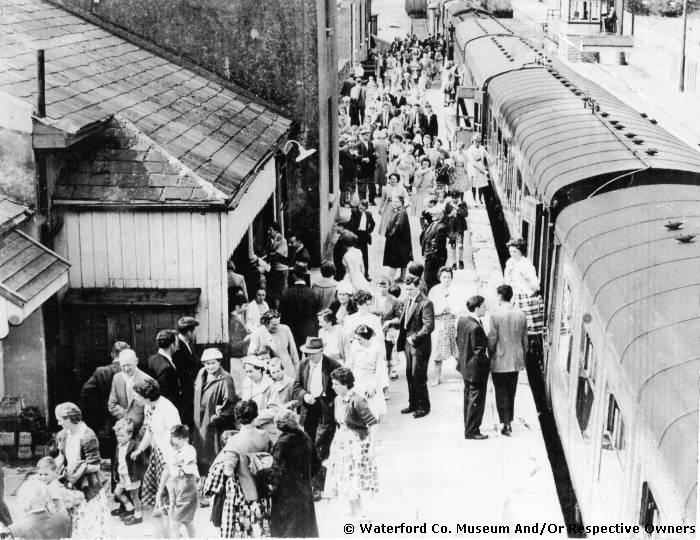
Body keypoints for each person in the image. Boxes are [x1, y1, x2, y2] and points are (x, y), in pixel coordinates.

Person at [324, 367, 378, 520]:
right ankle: (353, 510)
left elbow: (373, 423)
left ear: (345, 384)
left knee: (354, 477)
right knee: (345, 477)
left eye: (335, 384)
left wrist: (371, 446)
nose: (333, 387)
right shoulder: (337, 400)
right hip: (341, 442)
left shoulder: (357, 400)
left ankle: (360, 511)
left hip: (356, 443)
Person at [293, 337, 342, 499]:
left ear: (321, 351)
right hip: (308, 410)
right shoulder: (302, 365)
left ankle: (317, 487)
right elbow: (296, 387)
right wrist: (304, 396)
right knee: (308, 446)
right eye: (307, 353)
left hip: (325, 409)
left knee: (320, 447)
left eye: (313, 353)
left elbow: (342, 387)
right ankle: (309, 484)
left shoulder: (333, 365)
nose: (310, 356)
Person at [217, 400, 272, 537]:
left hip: (244, 496)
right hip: (263, 492)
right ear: (256, 415)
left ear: (237, 417)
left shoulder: (234, 441)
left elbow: (228, 471)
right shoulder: (265, 436)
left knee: (245, 533)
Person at [53, 402, 107, 538]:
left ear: (69, 418)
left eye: (60, 420)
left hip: (87, 484)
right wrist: (50, 468)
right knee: (72, 518)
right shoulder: (63, 434)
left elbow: (95, 465)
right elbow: (61, 456)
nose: (59, 423)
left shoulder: (88, 436)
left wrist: (76, 469)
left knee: (88, 521)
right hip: (70, 481)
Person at [131, 378, 181, 509]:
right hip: (157, 452)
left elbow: (177, 437)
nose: (135, 398)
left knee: (169, 491)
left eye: (138, 395)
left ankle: (173, 522)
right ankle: (163, 517)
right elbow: (150, 430)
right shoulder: (149, 405)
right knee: (157, 490)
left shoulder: (168, 409)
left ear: (147, 395)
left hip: (169, 455)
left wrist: (172, 462)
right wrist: (140, 449)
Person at [270, 410, 321, 538]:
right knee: (304, 531)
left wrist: (270, 487)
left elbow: (277, 471)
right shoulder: (305, 437)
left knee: (286, 531)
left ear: (280, 425)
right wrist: (306, 477)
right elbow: (317, 463)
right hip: (304, 491)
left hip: (285, 495)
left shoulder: (282, 443)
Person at [488, 284, 528, 436]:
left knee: (501, 392)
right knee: (511, 391)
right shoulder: (521, 314)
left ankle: (505, 424)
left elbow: (492, 339)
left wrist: (490, 354)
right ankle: (509, 421)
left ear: (499, 296)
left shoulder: (495, 315)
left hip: (500, 358)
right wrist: (522, 356)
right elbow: (525, 340)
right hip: (516, 359)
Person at [80, 340, 129, 459]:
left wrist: (100, 405)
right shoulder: (130, 370)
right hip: (128, 415)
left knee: (113, 450)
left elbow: (85, 391)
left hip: (108, 418)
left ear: (112, 354)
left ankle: (115, 476)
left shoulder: (101, 371)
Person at [193, 348, 238, 477]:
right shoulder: (201, 374)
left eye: (213, 363)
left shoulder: (225, 378)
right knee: (200, 448)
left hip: (214, 423)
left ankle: (214, 478)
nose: (210, 366)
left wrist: (217, 418)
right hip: (199, 420)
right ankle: (202, 478)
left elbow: (229, 403)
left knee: (213, 450)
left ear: (219, 362)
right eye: (207, 363)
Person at [394, 275, 435, 418]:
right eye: (406, 289)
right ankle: (413, 404)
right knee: (409, 376)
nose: (408, 291)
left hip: (419, 345)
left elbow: (429, 326)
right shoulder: (407, 299)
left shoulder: (426, 303)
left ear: (418, 287)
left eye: (411, 289)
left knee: (418, 376)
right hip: (408, 344)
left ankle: (424, 406)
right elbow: (404, 320)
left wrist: (414, 338)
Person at [155, 425, 199, 538]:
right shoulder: (173, 450)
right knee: (186, 520)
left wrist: (172, 457)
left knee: (175, 524)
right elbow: (167, 469)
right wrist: (160, 489)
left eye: (176, 440)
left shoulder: (189, 450)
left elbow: (183, 461)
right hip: (176, 484)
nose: (173, 444)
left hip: (186, 486)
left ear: (183, 438)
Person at [456, 295, 490, 440]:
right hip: (476, 370)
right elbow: (479, 353)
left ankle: (468, 426)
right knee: (476, 400)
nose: (486, 308)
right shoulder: (476, 327)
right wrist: (488, 364)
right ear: (477, 308)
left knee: (469, 398)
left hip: (466, 367)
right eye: (484, 306)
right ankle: (472, 431)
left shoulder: (463, 320)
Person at [504, 238, 544, 336]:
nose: (512, 254)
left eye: (515, 251)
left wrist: (526, 279)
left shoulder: (526, 264)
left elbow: (535, 285)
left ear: (521, 251)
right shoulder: (510, 262)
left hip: (526, 298)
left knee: (528, 329)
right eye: (510, 251)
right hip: (515, 297)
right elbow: (507, 281)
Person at [280, 262, 322, 355]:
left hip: (292, 332)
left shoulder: (286, 293)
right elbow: (317, 310)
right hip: (309, 331)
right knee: (311, 358)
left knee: (295, 358)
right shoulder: (314, 293)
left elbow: (282, 314)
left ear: (294, 275)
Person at [346, 326, 387, 418]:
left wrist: (373, 388)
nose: (357, 341)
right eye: (356, 339)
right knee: (358, 413)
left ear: (366, 337)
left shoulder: (377, 349)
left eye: (359, 339)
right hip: (357, 381)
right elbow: (350, 365)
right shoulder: (355, 347)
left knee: (372, 413)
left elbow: (379, 371)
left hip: (371, 381)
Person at [428, 266, 460, 386]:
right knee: (438, 351)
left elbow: (459, 306)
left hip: (452, 322)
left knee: (457, 349)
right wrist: (441, 310)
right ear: (440, 277)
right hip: (439, 323)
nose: (446, 280)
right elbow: (430, 309)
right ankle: (437, 377)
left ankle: (466, 373)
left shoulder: (455, 290)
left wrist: (453, 310)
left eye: (449, 277)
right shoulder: (434, 290)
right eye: (444, 277)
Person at [111, 418, 146, 524]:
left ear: (130, 435)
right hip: (122, 475)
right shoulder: (119, 446)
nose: (119, 438)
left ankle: (138, 516)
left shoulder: (134, 446)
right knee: (117, 492)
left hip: (132, 475)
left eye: (122, 436)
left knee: (134, 496)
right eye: (117, 436)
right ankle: (129, 508)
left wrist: (137, 474)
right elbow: (117, 461)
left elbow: (142, 461)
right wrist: (115, 473)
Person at [108, 349, 151, 433]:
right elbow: (112, 405)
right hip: (123, 431)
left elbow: (151, 410)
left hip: (142, 431)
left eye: (128, 365)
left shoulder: (147, 380)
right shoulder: (117, 378)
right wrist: (126, 419)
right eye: (123, 366)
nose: (126, 369)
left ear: (136, 361)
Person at [249, 310, 299, 377]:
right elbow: (250, 355)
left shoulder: (285, 329)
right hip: (269, 372)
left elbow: (293, 352)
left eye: (278, 324)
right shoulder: (258, 332)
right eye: (274, 325)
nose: (277, 327)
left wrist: (297, 371)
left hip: (287, 370)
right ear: (266, 323)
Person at [372, 277, 404, 380]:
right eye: (380, 286)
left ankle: (390, 373)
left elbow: (399, 318)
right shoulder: (372, 299)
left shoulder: (394, 300)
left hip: (389, 330)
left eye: (384, 286)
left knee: (389, 352)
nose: (382, 289)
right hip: (375, 330)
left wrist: (389, 322)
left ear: (389, 286)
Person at [144, 329, 181, 411]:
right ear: (172, 345)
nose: (178, 344)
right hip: (167, 407)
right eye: (177, 341)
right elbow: (168, 394)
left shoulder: (152, 359)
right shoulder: (166, 367)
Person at [173, 317, 200, 430]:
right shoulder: (178, 348)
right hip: (185, 392)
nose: (195, 334)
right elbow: (182, 373)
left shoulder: (188, 343)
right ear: (189, 332)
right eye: (194, 331)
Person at [383, 196, 413, 283]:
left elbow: (397, 226)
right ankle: (402, 277)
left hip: (398, 241)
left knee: (395, 261)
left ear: (401, 202)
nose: (394, 203)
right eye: (393, 202)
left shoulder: (402, 212)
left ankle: (390, 280)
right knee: (403, 259)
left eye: (397, 202)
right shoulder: (398, 211)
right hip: (401, 240)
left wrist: (389, 235)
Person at [421, 205, 450, 289]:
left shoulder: (441, 227)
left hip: (434, 259)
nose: (432, 214)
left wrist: (428, 256)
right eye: (431, 213)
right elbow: (424, 214)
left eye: (434, 213)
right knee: (428, 280)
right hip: (430, 257)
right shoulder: (434, 222)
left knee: (430, 281)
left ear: (441, 215)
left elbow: (438, 247)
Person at [349, 200, 376, 281]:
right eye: (360, 207)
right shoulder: (355, 213)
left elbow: (373, 224)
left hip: (364, 236)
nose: (361, 209)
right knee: (355, 255)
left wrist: (369, 231)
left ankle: (366, 274)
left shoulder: (368, 214)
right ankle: (354, 274)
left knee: (365, 256)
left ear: (366, 208)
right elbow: (351, 223)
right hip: (356, 236)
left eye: (363, 208)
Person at [266, 222, 288, 309]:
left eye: (270, 230)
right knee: (275, 292)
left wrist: (271, 254)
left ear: (276, 231)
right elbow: (268, 253)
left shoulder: (282, 240)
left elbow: (276, 256)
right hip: (274, 268)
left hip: (281, 269)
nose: (268, 232)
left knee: (281, 292)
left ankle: (283, 310)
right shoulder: (270, 239)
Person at [466, 134, 489, 206]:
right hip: (473, 168)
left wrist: (492, 163)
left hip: (480, 165)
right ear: (473, 142)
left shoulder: (482, 148)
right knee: (473, 185)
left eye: (479, 141)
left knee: (481, 184)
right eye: (476, 141)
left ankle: (479, 199)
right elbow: (473, 163)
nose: (477, 143)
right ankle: (474, 199)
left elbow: (487, 155)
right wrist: (482, 171)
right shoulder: (470, 149)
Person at [449, 201, 468, 270]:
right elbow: (445, 215)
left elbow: (465, 214)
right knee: (453, 245)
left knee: (460, 245)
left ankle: (461, 260)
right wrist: (450, 215)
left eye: (456, 197)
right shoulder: (449, 203)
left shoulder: (462, 204)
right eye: (453, 197)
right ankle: (454, 262)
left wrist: (457, 208)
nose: (454, 199)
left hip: (460, 228)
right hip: (452, 228)